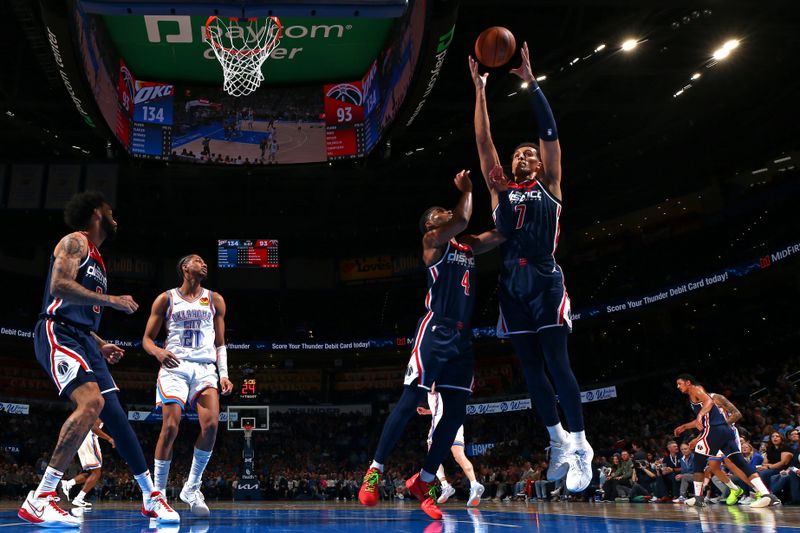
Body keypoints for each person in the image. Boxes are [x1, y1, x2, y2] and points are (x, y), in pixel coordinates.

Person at [469, 43, 592, 492]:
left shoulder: (552, 183)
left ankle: (581, 444)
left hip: (545, 278)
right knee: (530, 369)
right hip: (511, 286)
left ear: (540, 163)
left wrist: (529, 81)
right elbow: (484, 143)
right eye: (518, 154)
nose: (523, 157)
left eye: (529, 154)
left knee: (557, 363)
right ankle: (556, 439)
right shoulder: (500, 188)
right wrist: (480, 90)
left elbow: (549, 131)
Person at [21, 191, 178, 527]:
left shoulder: (98, 258)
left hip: (84, 340)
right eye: (111, 210)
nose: (115, 216)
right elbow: (59, 286)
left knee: (117, 418)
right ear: (96, 213)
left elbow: (79, 309)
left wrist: (100, 342)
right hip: (57, 332)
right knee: (90, 403)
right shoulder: (74, 242)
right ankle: (42, 497)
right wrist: (112, 300)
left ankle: (151, 497)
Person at [357, 170, 504, 520]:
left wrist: (504, 197)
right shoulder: (432, 243)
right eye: (439, 213)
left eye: (445, 211)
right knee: (409, 402)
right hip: (434, 330)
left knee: (454, 414)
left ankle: (424, 481)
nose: (446, 215)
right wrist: (468, 190)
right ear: (430, 225)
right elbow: (464, 216)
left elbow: (500, 234)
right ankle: (375, 470)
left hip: (463, 337)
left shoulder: (468, 244)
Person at [142, 254, 234, 516]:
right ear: (185, 267)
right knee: (170, 427)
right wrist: (158, 353)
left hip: (205, 368)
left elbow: (220, 343)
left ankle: (192, 487)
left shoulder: (215, 299)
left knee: (212, 425)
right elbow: (147, 340)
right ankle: (156, 495)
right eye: (198, 260)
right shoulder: (166, 298)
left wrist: (224, 374)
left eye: (205, 262)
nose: (204, 264)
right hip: (175, 367)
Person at [673, 374, 779, 507]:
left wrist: (700, 422)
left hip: (716, 430)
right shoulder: (696, 397)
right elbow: (704, 420)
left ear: (688, 382)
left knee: (699, 461)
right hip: (721, 431)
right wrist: (684, 426)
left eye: (679, 384)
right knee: (736, 462)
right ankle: (767, 495)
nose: (678, 387)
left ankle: (699, 498)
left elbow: (712, 406)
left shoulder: (698, 390)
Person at [416, 386, 485, 506]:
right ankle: (474, 484)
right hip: (455, 420)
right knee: (459, 456)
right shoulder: (453, 382)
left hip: (440, 421)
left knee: (431, 457)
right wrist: (428, 411)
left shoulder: (436, 378)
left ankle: (445, 485)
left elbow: (432, 389)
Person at [60, 419, 114, 509]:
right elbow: (93, 428)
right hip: (89, 439)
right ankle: (79, 498)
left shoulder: (95, 409)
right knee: (97, 473)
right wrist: (109, 438)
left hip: (82, 439)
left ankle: (68, 484)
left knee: (91, 473)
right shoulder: (99, 409)